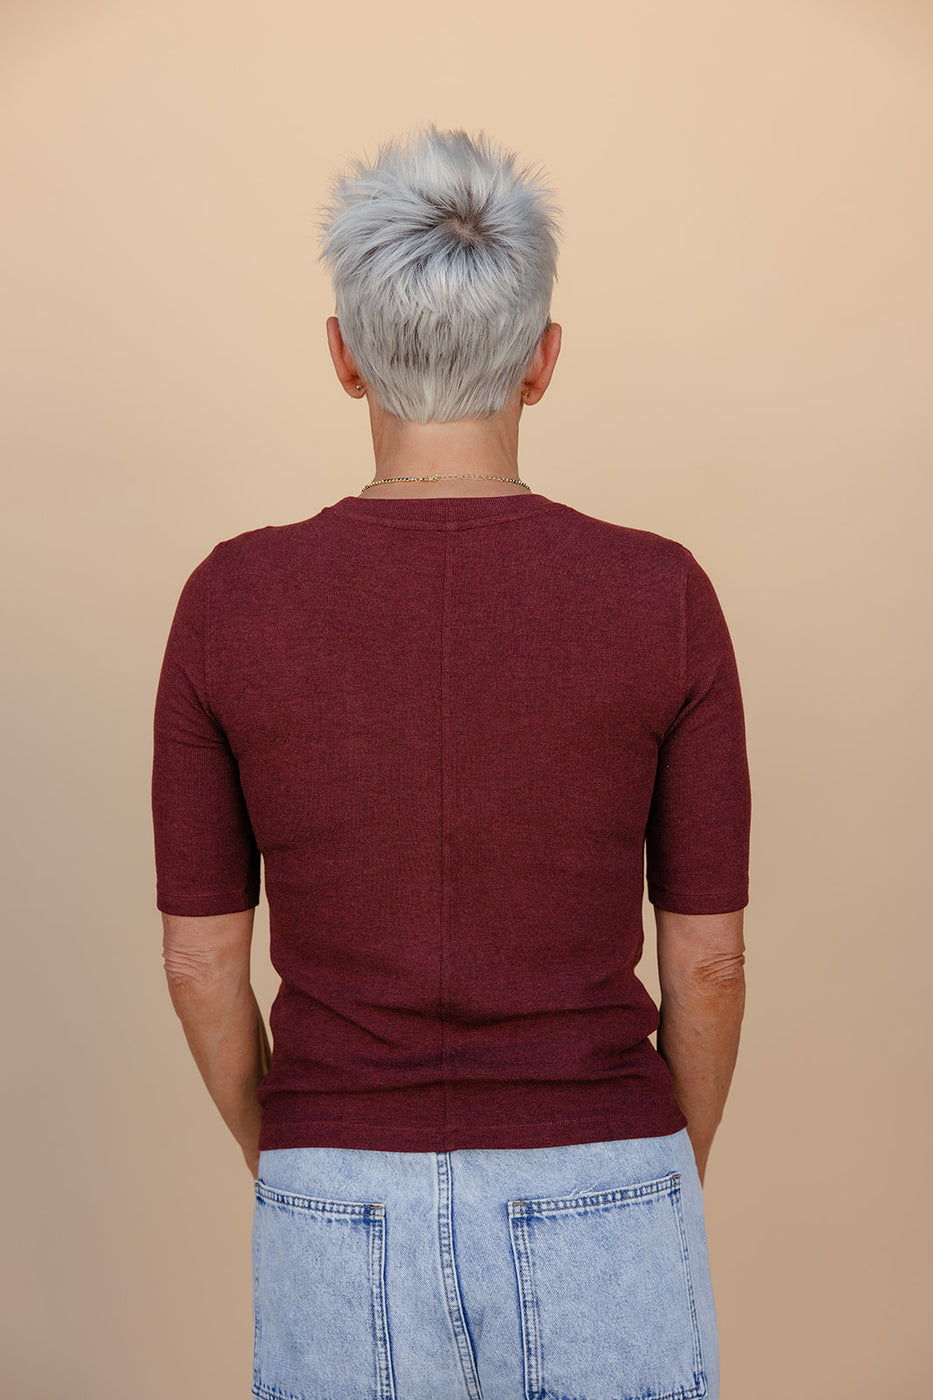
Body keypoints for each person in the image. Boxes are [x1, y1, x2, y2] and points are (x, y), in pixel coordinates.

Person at [152, 125, 750, 1400]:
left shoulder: (229, 600)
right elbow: (706, 955)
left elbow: (201, 958)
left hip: (331, 1181)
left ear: (342, 354)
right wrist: (649, 1169)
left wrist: (299, 1147)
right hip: (602, 1160)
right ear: (541, 363)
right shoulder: (662, 595)